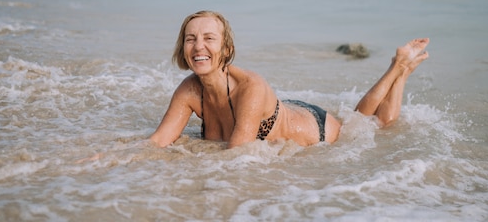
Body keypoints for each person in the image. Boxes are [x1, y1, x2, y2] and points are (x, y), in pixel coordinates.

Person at [80, 11, 429, 161]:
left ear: (226, 49)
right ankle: (401, 70)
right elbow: (157, 142)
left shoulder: (250, 87)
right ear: (183, 49)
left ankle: (398, 67)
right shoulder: (189, 90)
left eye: (208, 38)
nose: (198, 46)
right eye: (190, 39)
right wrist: (106, 158)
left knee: (372, 125)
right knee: (359, 119)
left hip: (314, 128)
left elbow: (237, 155)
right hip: (284, 109)